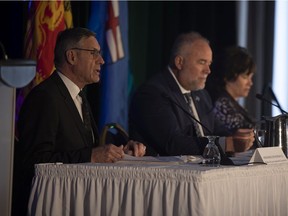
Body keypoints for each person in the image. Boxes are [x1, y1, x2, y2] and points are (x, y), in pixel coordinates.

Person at [13, 27, 145, 216]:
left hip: (78, 199)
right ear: (72, 57)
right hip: (53, 205)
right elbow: (35, 161)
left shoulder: (78, 96)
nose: (102, 60)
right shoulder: (45, 97)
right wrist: (91, 156)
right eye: (94, 53)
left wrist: (119, 152)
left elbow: (84, 148)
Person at [129, 31, 254, 157]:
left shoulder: (202, 95)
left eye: (209, 63)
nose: (208, 70)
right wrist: (227, 144)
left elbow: (216, 130)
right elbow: (174, 143)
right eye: (202, 62)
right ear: (179, 62)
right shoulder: (153, 94)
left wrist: (239, 136)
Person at [210, 46, 256, 135]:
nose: (250, 83)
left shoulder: (233, 103)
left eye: (251, 77)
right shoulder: (222, 104)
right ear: (228, 75)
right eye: (245, 77)